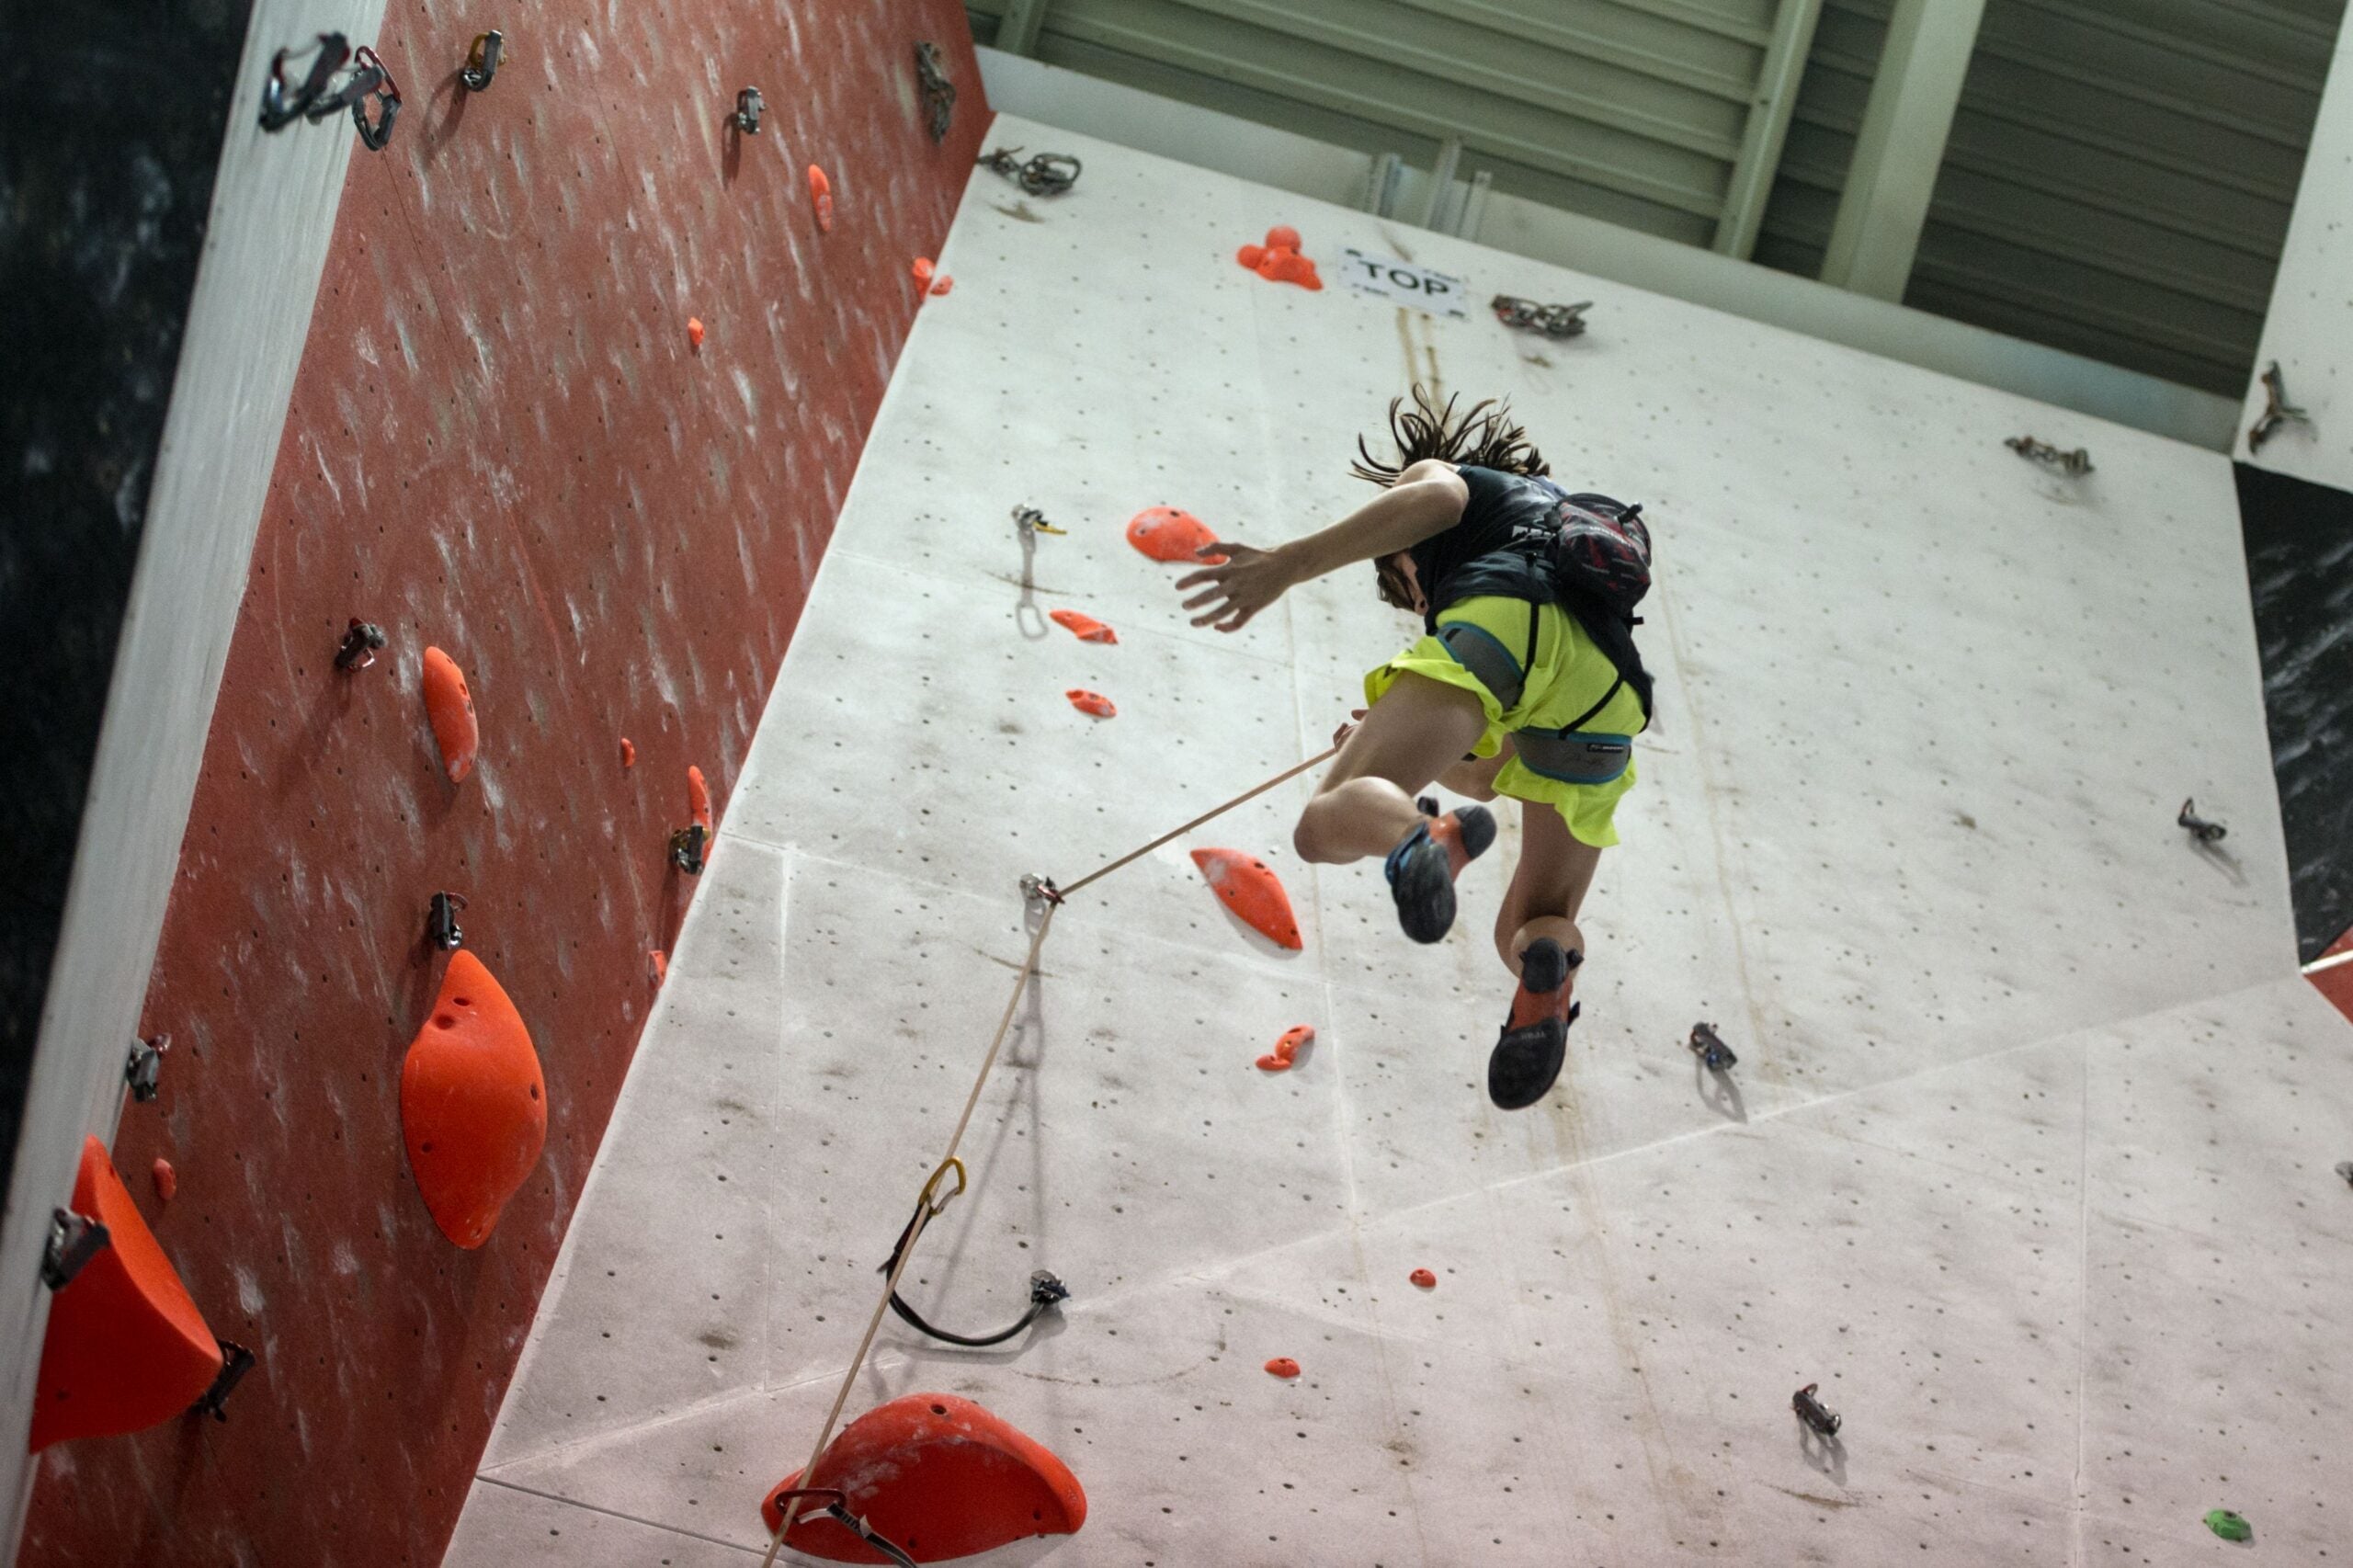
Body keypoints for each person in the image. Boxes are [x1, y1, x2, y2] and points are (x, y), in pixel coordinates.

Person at [1174, 388, 1653, 1109]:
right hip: (1608, 691)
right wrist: (1394, 745)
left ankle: (1418, 835)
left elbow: (1436, 505)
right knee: (1527, 925)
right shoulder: (1570, 521)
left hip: (1510, 615)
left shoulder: (1459, 482)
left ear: (1403, 564)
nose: (1424, 611)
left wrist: (1288, 564)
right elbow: (1490, 777)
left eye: (1411, 593)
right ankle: (1543, 983)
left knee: (1323, 824)